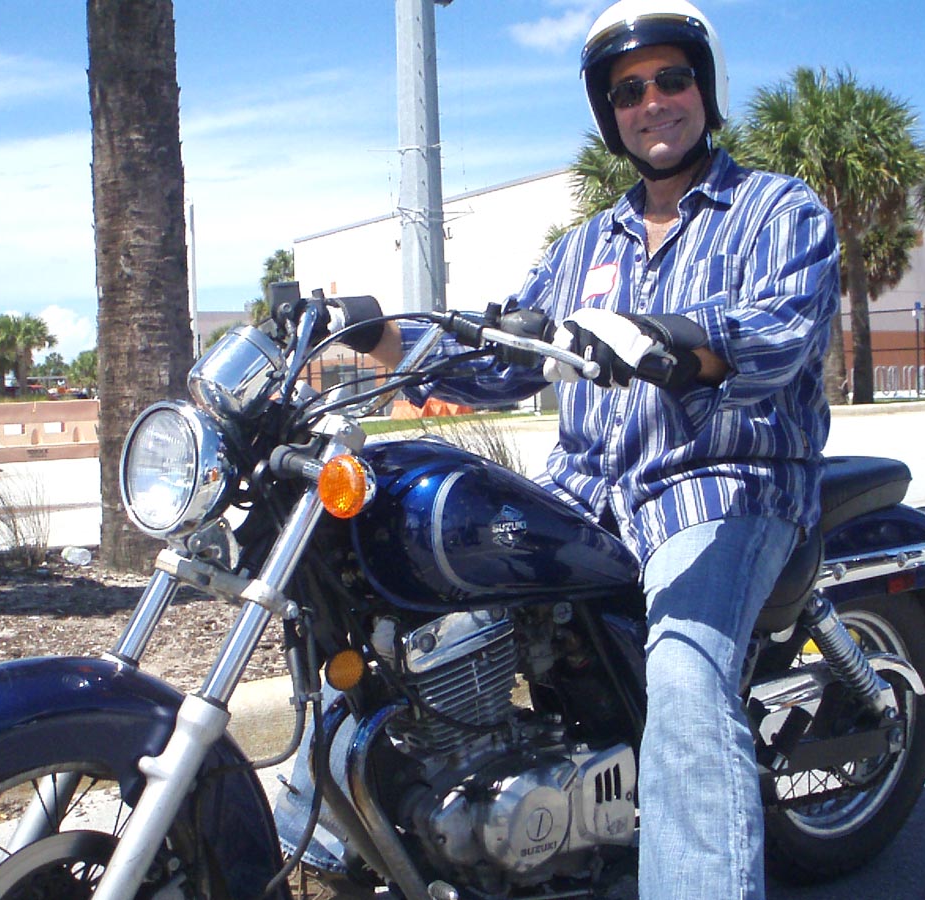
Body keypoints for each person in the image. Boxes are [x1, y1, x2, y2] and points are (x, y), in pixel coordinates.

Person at [352, 1, 839, 896]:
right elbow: (504, 360)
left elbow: (781, 333)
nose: (652, 103)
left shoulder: (777, 209)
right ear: (608, 112)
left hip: (722, 488)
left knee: (686, 682)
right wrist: (376, 335)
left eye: (671, 79)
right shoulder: (581, 247)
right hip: (585, 490)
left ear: (706, 87)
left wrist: (668, 338)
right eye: (627, 91)